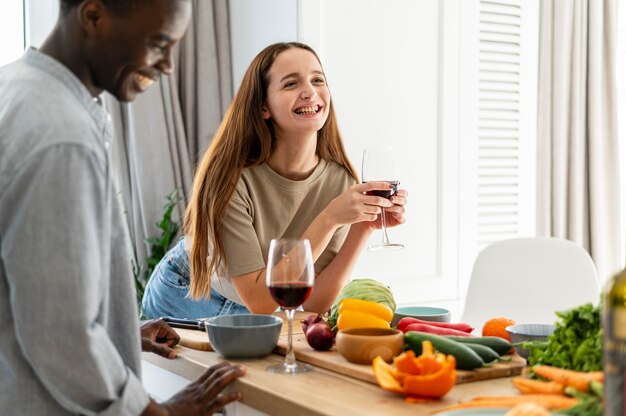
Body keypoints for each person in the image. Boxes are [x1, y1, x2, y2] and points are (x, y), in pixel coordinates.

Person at [0, 1, 245, 415]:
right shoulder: (62, 136)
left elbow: (29, 288)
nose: (168, 65)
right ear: (93, 16)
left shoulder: (15, 89)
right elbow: (59, 334)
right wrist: (155, 413)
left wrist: (121, 334)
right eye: (159, 43)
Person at [142, 42, 408, 319]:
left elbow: (314, 302)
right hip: (188, 293)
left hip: (261, 306)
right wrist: (329, 218)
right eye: (291, 84)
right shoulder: (232, 180)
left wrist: (363, 228)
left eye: (318, 79)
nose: (310, 91)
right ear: (263, 107)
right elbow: (260, 300)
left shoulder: (340, 182)